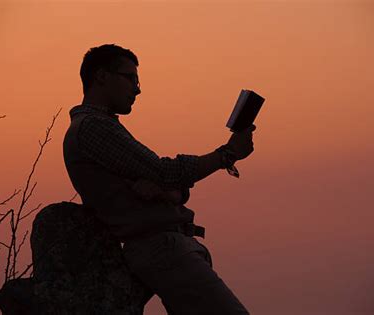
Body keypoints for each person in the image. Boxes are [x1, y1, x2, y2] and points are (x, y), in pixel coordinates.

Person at [63, 44, 256, 315]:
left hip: (171, 248)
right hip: (161, 249)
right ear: (102, 77)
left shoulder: (100, 126)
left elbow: (164, 180)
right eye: (130, 78)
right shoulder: (93, 128)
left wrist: (170, 192)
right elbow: (164, 172)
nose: (138, 88)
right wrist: (227, 154)